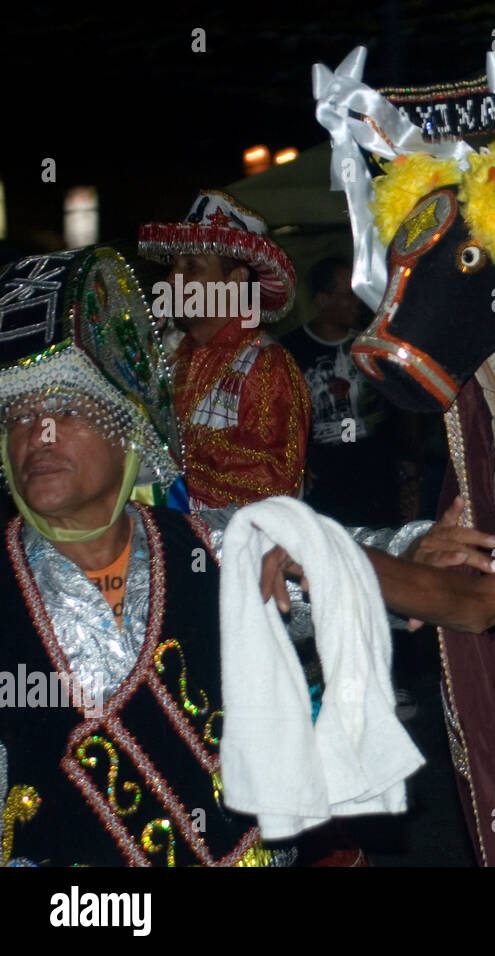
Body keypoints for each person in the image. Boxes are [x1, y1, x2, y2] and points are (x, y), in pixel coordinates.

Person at [0, 246, 293, 866]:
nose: (39, 436)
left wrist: (417, 556)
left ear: (128, 431)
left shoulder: (206, 546)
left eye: (69, 409)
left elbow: (338, 559)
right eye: (19, 416)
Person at [138, 190, 311, 511]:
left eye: (192, 267)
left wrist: (164, 460)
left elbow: (271, 481)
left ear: (234, 280)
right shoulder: (165, 360)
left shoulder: (266, 365)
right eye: (174, 266)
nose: (173, 279)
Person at [282, 257, 413, 527]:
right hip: (324, 484)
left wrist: (408, 463)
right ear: (323, 300)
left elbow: (399, 409)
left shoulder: (371, 346)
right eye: (348, 295)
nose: (357, 302)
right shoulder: (290, 351)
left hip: (375, 477)